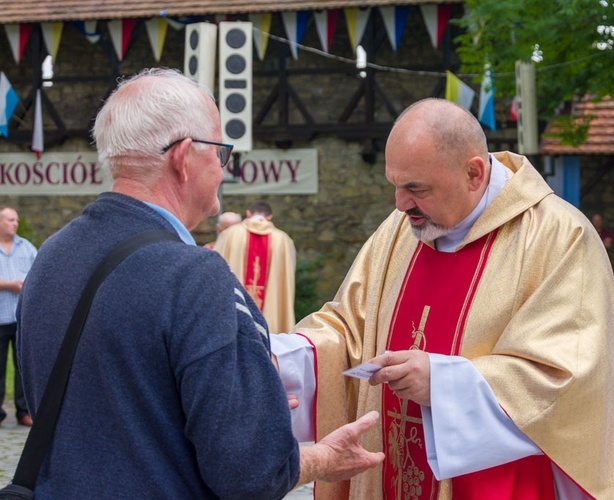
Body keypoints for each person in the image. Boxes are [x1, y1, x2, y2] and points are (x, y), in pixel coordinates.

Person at [15, 68, 383, 498]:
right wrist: (321, 458)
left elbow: (107, 404)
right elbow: (249, 472)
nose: (224, 170)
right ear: (183, 157)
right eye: (221, 153)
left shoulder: (51, 255)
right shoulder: (194, 275)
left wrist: (235, 407)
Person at [271, 98, 614, 498]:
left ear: (474, 173)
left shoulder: (558, 238)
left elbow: (566, 377)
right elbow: (350, 330)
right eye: (395, 186)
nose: (400, 205)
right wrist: (281, 359)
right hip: (390, 472)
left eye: (416, 188)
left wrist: (443, 383)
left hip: (498, 483)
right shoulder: (400, 230)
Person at [214, 200, 296, 334]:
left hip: (234, 316)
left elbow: (216, 269)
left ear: (248, 213)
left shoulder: (230, 234)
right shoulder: (283, 240)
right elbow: (288, 276)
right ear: (269, 217)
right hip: (270, 317)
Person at [0, 206, 36, 427]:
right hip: (0, 318)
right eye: (10, 219)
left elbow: (40, 273)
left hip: (21, 318)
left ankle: (24, 412)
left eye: (16, 220)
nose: (15, 223)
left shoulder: (27, 247)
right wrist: (10, 285)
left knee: (22, 367)